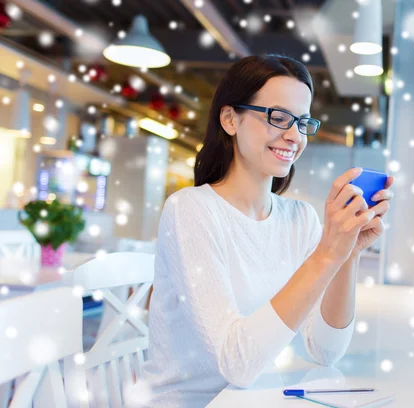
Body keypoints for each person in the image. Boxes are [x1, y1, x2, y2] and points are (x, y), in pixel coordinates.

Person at [133, 54, 395, 407]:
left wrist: (346, 256)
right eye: (278, 117)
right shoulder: (191, 210)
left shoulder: (299, 218)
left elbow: (326, 351)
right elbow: (236, 364)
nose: (293, 135)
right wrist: (325, 256)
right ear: (230, 119)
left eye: (302, 122)